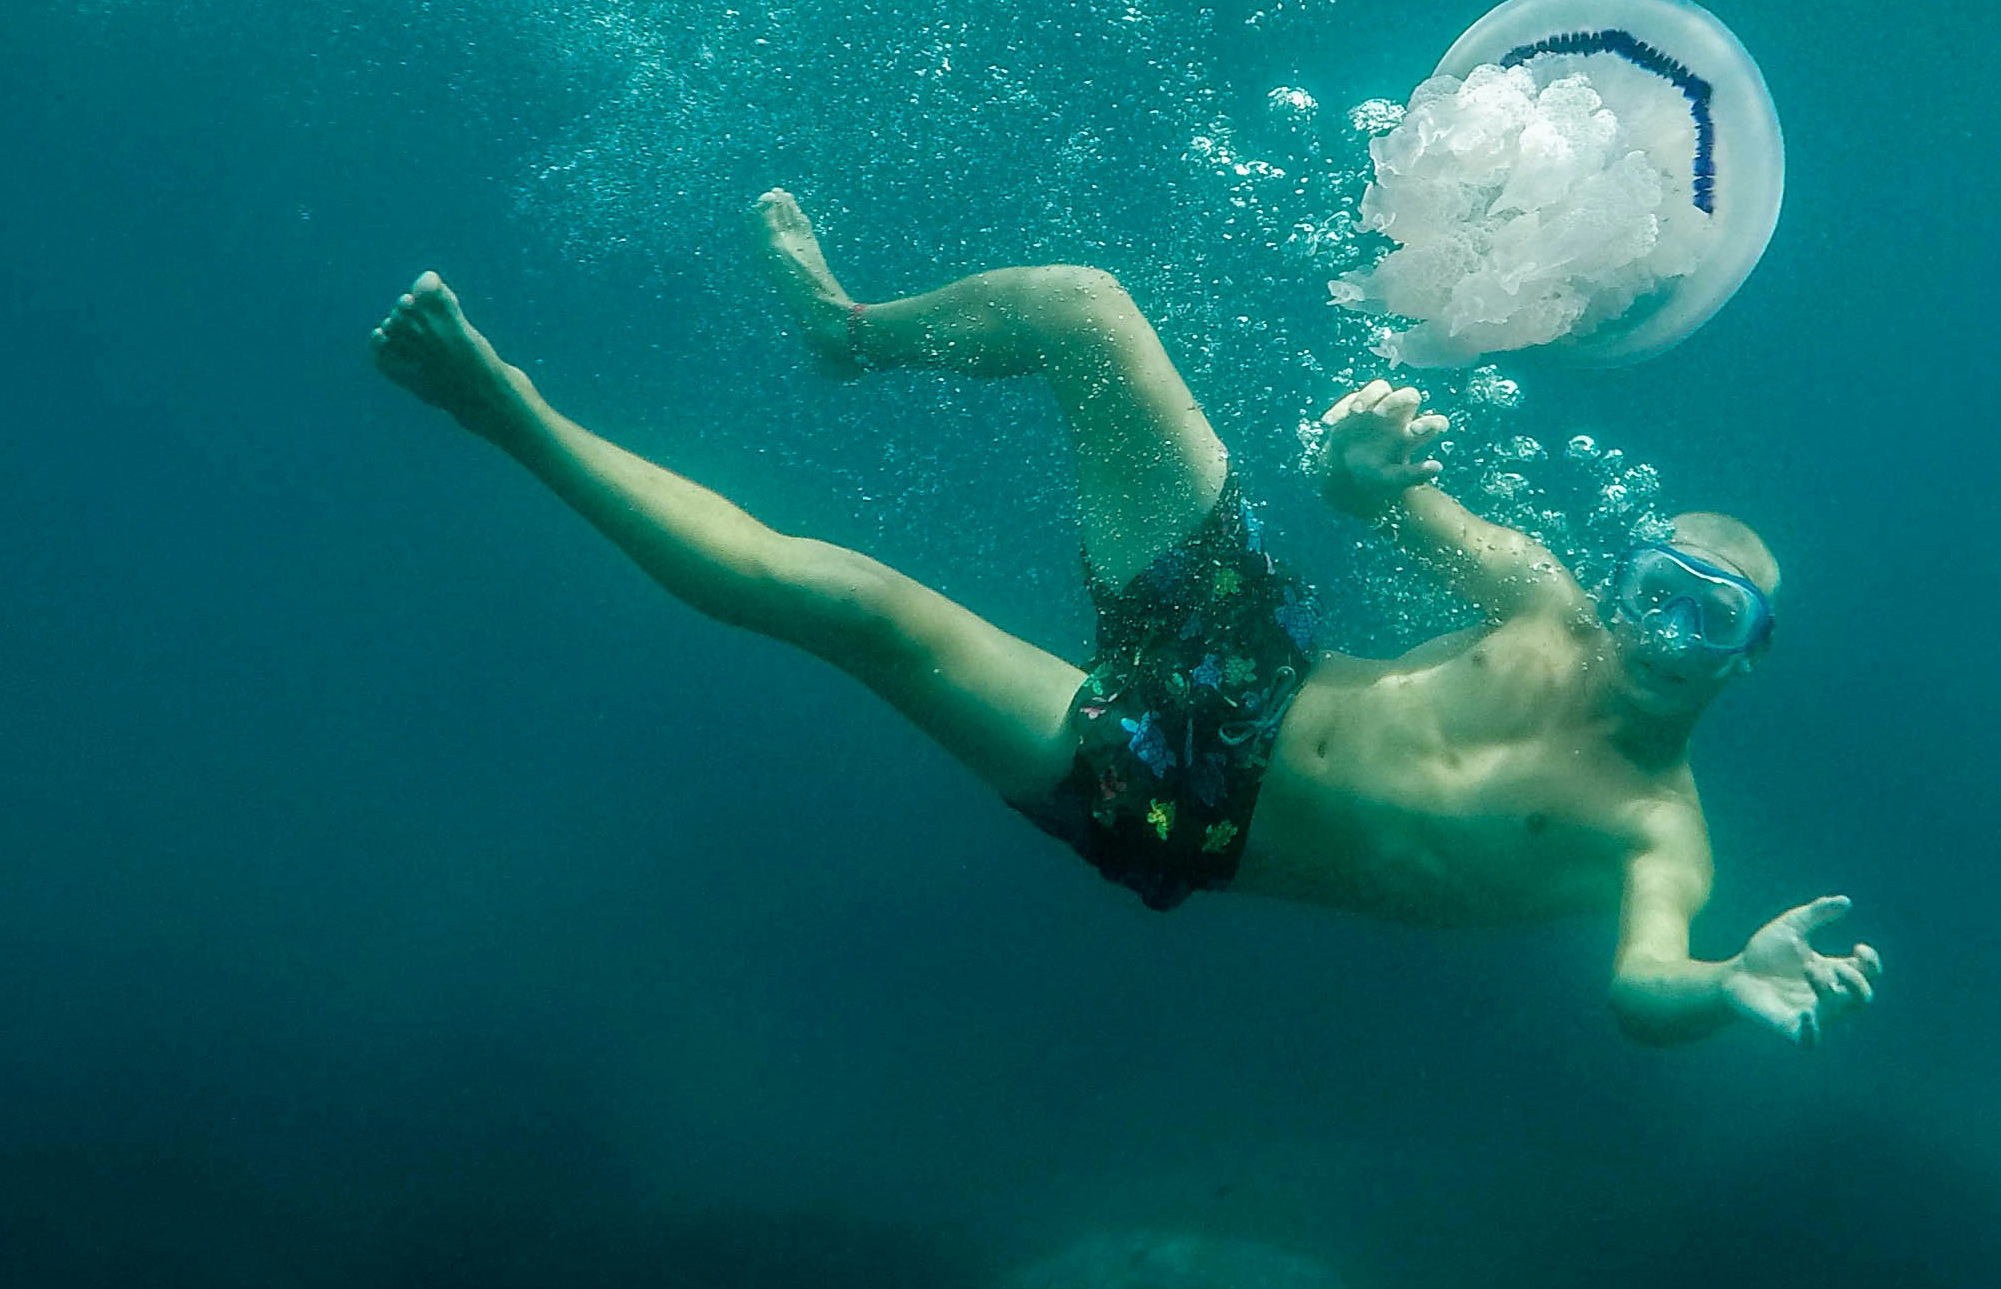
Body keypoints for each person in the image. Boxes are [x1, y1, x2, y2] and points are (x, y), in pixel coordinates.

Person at [367, 191, 1881, 1045]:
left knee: (853, 603)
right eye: (1651, 583)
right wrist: (1361, 463)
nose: (1656, 623)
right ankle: (849, 334)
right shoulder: (1545, 600)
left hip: (1176, 806)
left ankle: (512, 418)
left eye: (1709, 612)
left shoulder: (1655, 826)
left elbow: (1642, 981)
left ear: (1745, 656)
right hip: (1246, 657)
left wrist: (1733, 985)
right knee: (1082, 309)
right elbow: (1377, 502)